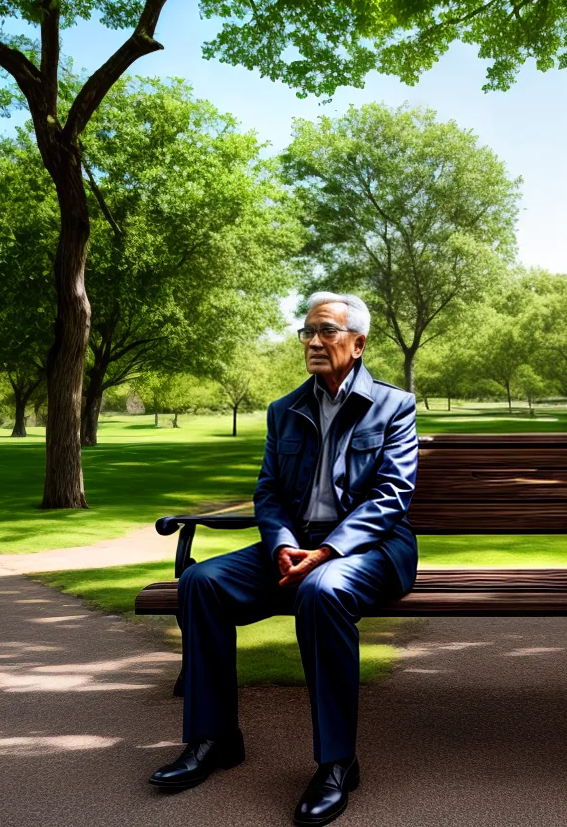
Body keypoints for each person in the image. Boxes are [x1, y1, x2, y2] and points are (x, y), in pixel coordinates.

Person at [149, 292, 418, 827]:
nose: (314, 342)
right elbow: (268, 493)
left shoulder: (394, 406)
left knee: (322, 590)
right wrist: (282, 545)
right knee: (201, 581)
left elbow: (391, 495)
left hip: (369, 549)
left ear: (358, 344)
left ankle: (337, 763)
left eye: (327, 332)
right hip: (294, 546)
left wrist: (326, 551)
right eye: (307, 333)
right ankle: (213, 739)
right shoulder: (284, 409)